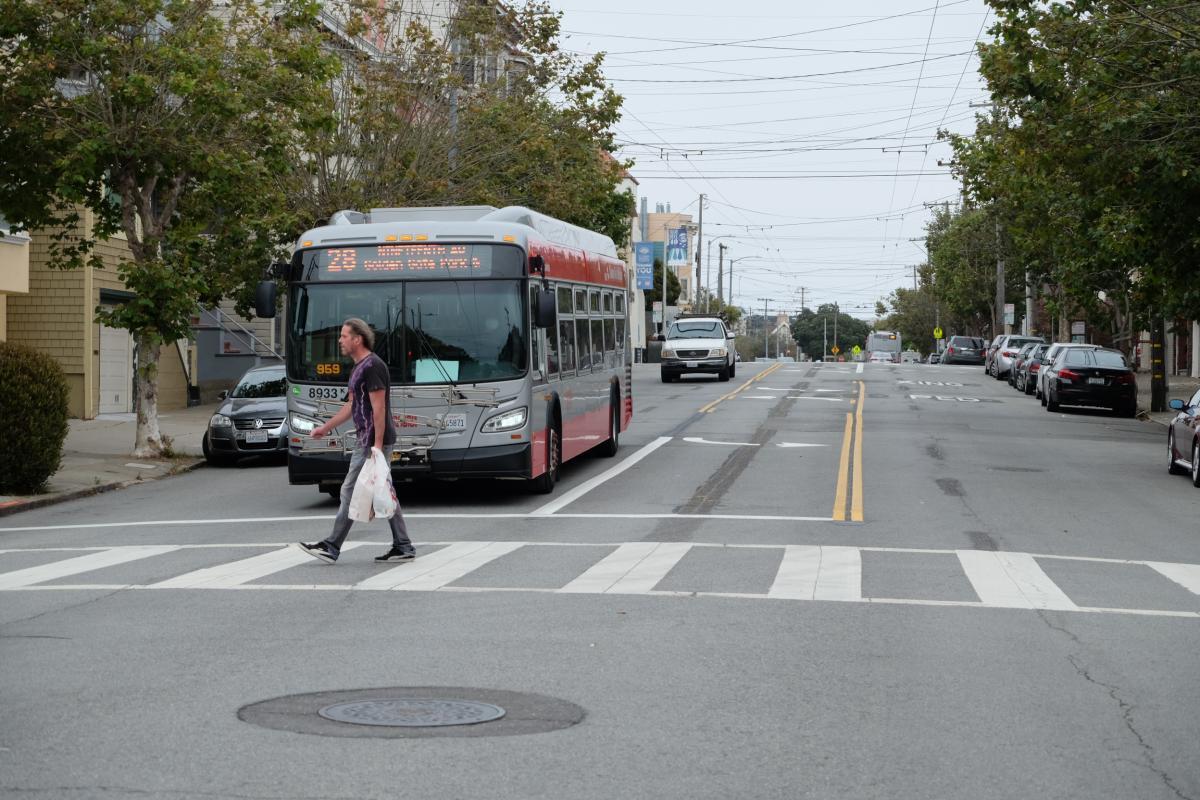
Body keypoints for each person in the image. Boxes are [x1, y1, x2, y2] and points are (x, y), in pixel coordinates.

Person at [296, 318, 416, 564]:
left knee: (351, 491)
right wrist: (325, 428)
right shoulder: (358, 367)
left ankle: (332, 546)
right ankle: (403, 545)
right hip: (367, 439)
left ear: (357, 339)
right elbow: (351, 406)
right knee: (383, 489)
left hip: (372, 441)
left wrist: (377, 447)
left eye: (344, 335)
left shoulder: (373, 366)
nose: (340, 340)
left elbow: (379, 408)